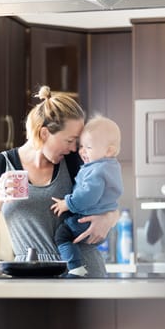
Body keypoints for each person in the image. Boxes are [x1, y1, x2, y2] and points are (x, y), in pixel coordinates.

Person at [0, 85, 118, 277]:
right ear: (44, 133)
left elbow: (113, 196)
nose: (75, 148)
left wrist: (109, 218)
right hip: (31, 278)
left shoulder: (74, 162)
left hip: (84, 275)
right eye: (70, 140)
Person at [51, 115, 123, 276]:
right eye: (80, 145)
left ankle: (75, 267)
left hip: (86, 220)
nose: (80, 151)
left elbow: (87, 196)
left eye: (88, 148)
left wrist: (66, 203)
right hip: (93, 221)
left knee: (62, 235)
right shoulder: (110, 167)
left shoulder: (96, 170)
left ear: (109, 150)